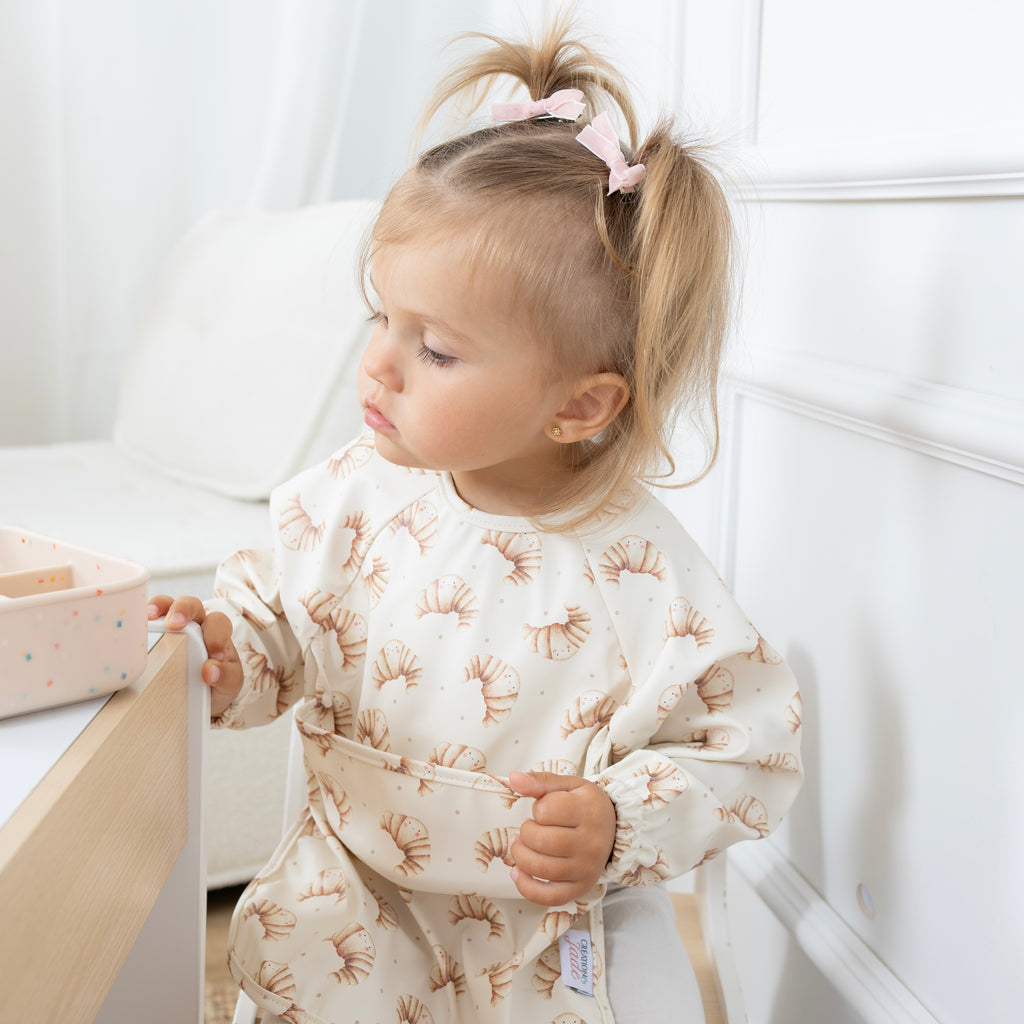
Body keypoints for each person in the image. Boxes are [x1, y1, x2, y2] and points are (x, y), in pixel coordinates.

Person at [151, 14, 803, 1023]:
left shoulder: (635, 570)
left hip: (533, 935)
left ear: (577, 406)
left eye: (436, 349)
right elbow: (283, 627)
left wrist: (617, 819)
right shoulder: (353, 495)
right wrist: (232, 655)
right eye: (382, 316)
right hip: (350, 900)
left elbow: (746, 749)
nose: (378, 363)